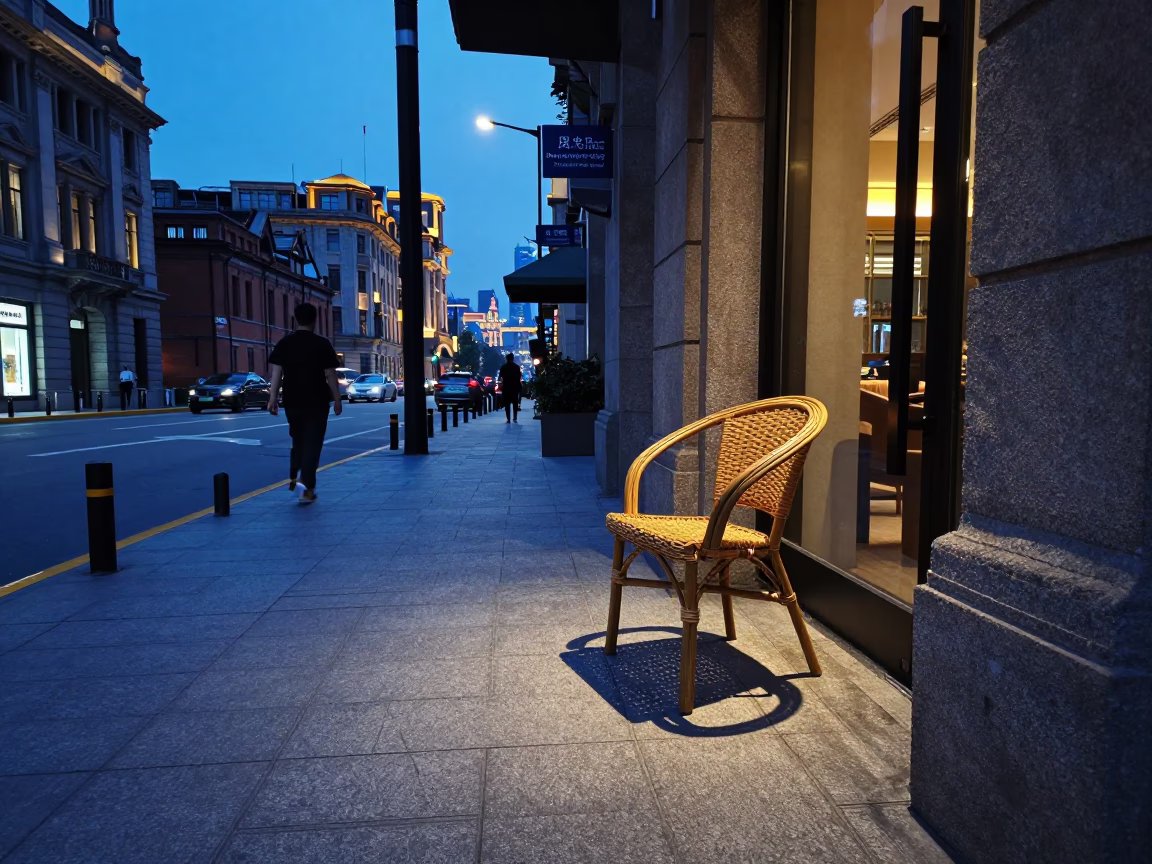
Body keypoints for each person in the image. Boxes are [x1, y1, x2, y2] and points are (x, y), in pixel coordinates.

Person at [266, 302, 342, 504]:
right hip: (317, 400)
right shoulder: (322, 343)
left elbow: (277, 372)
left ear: (295, 319)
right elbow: (330, 374)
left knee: (298, 440)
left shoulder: (285, 343)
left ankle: (298, 478)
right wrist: (337, 399)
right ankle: (305, 485)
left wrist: (273, 397)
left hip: (292, 399)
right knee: (313, 443)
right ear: (315, 320)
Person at [499, 353, 522, 423]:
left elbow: (501, 377)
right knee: (515, 403)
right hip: (514, 388)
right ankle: (515, 417)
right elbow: (519, 377)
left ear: (507, 359)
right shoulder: (517, 367)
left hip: (506, 388)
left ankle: (508, 419)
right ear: (513, 359)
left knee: (507, 404)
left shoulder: (503, 367)